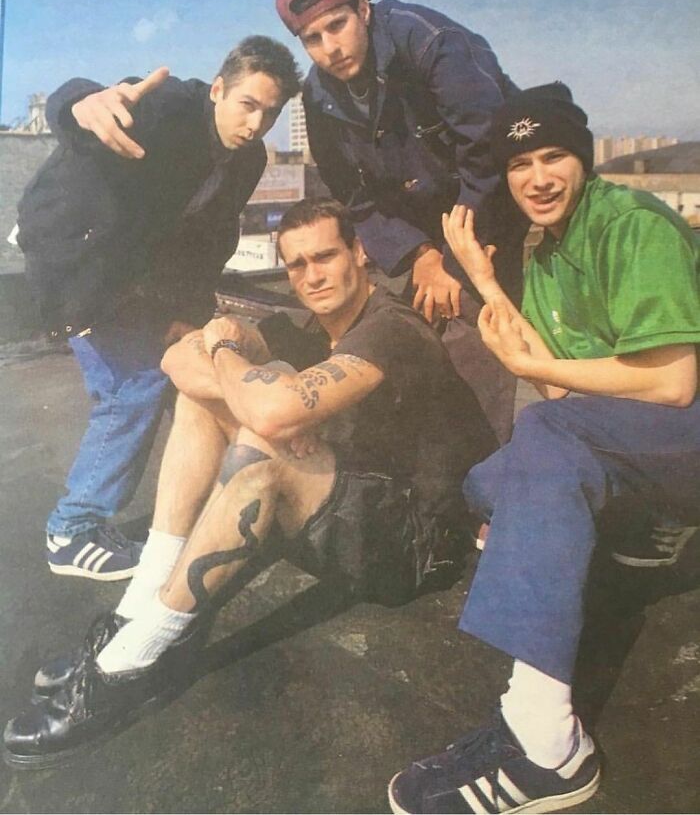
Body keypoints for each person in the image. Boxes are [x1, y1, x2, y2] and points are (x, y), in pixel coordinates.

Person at [3, 196, 496, 769]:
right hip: (351, 508)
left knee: (264, 452)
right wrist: (242, 364)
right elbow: (176, 365)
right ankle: (139, 613)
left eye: (326, 257)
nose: (312, 276)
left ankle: (129, 665)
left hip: (411, 547)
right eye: (296, 265)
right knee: (209, 401)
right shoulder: (306, 328)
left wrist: (255, 382)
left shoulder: (391, 329)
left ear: (360, 254)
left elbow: (266, 409)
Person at [387, 83, 700, 814]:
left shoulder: (631, 226)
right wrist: (487, 279)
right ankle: (647, 529)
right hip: (645, 445)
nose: (537, 177)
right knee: (488, 484)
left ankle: (548, 744)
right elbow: (565, 389)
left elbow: (675, 382)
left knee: (544, 439)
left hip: (688, 426)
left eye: (553, 155)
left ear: (583, 158)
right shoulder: (553, 253)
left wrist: (535, 373)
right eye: (520, 163)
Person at [17, 37, 301, 580]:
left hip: (133, 272)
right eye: (247, 104)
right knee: (132, 387)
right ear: (218, 90)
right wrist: (81, 104)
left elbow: (211, 236)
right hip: (74, 255)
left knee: (164, 374)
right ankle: (71, 530)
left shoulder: (250, 158)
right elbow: (88, 101)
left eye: (270, 112)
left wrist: (189, 309)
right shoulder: (170, 106)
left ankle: (210, 503)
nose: (256, 123)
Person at [275, 0, 529, 446]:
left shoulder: (431, 43)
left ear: (363, 10)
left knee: (472, 325)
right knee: (394, 324)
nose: (330, 48)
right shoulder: (318, 94)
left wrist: (453, 261)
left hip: (490, 205)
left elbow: (492, 155)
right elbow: (354, 197)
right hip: (416, 227)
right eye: (312, 39)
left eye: (337, 25)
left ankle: (483, 492)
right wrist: (420, 255)